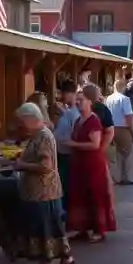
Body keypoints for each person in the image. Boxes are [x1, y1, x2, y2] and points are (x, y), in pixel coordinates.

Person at [13, 103, 75, 264]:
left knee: (45, 229)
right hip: (43, 192)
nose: (20, 126)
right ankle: (64, 259)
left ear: (30, 119)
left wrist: (21, 165)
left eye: (21, 121)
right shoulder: (39, 135)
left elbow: (45, 166)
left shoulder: (43, 136)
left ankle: (47, 263)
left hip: (43, 192)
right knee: (52, 228)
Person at [63, 88, 117, 243]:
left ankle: (99, 230)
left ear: (90, 102)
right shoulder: (79, 120)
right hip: (80, 163)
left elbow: (95, 144)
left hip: (93, 164)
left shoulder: (93, 120)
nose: (78, 102)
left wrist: (73, 144)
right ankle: (82, 228)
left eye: (82, 100)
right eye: (77, 99)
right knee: (81, 196)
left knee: (95, 196)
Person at [52, 81, 80, 217]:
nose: (61, 97)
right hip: (64, 152)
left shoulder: (73, 113)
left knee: (64, 185)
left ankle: (65, 215)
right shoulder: (70, 111)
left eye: (62, 94)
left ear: (69, 94)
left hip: (66, 154)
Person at [105, 80, 133, 186]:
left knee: (115, 154)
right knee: (126, 154)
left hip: (111, 128)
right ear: (122, 87)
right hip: (123, 129)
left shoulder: (108, 99)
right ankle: (125, 177)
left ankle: (115, 177)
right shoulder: (125, 99)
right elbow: (129, 117)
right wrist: (132, 131)